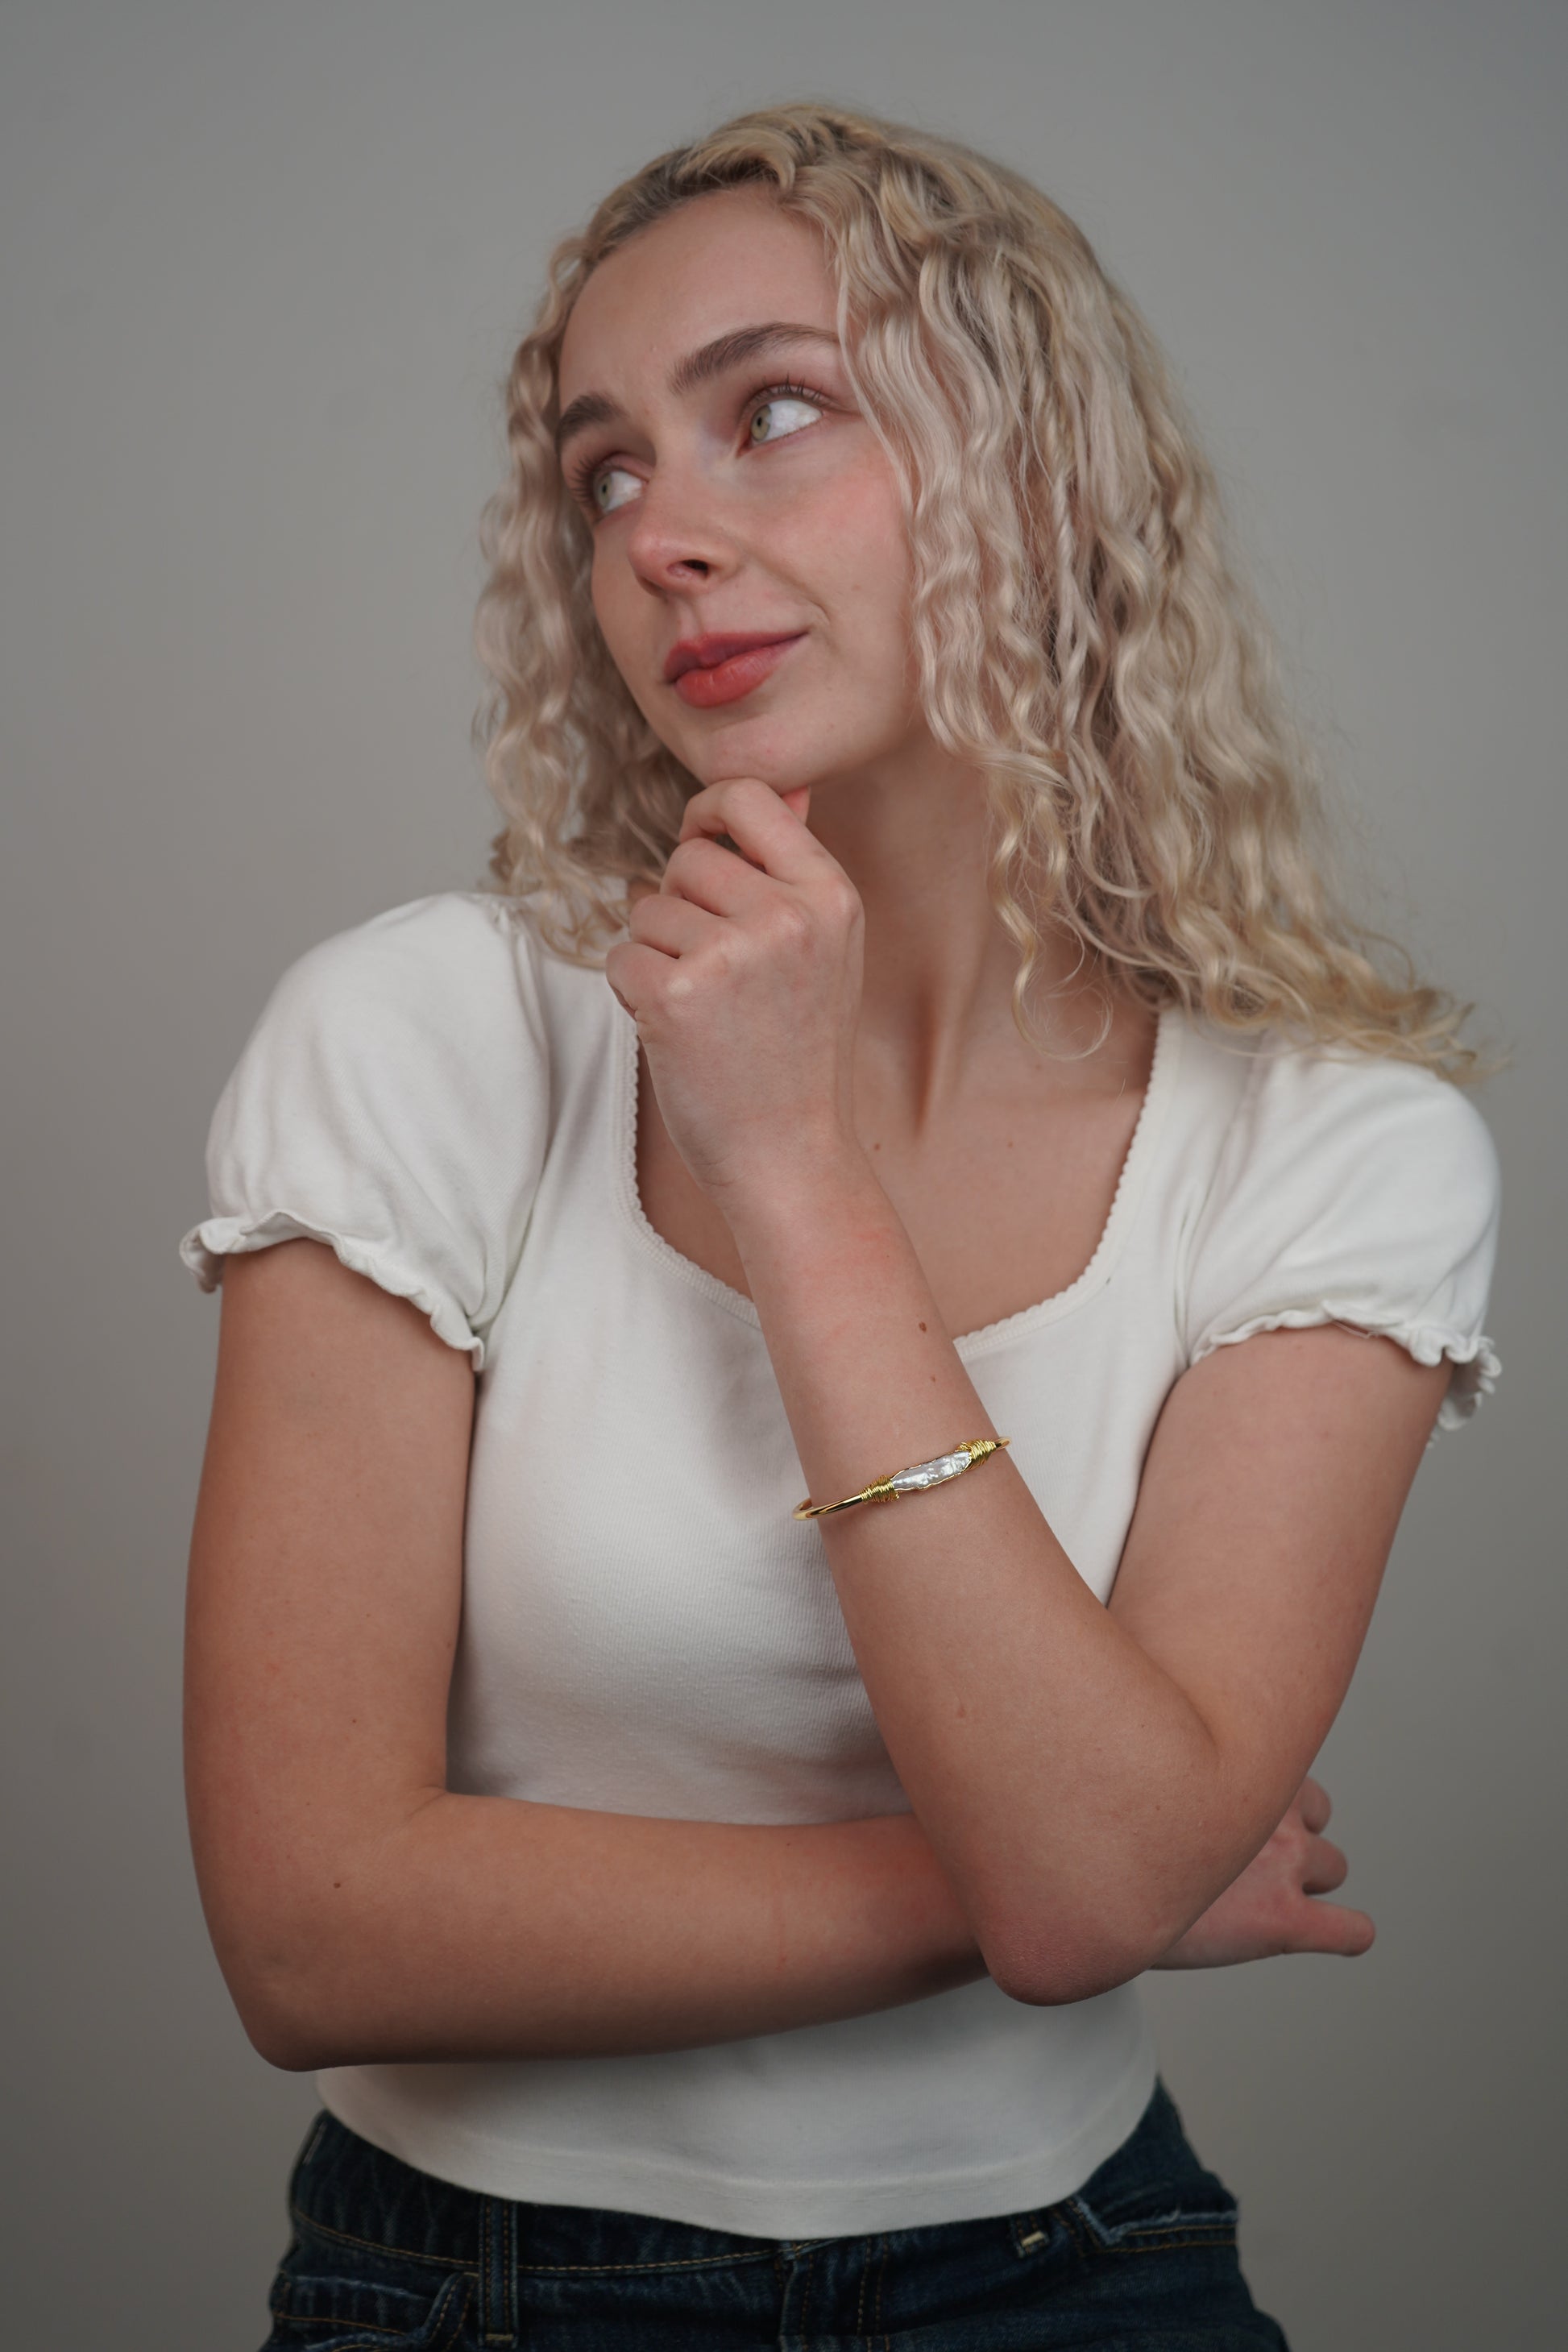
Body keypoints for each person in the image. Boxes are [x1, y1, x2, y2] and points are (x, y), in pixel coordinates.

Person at [180, 103, 1500, 2351]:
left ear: (1045, 476)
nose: (662, 533)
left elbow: (1090, 1884)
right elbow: (310, 1932)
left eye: (772, 412)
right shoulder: (425, 1035)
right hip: (466, 2291)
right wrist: (1071, 1878)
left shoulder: (1336, 1144)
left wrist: (788, 1167)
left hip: (1077, 2285)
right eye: (606, 472)